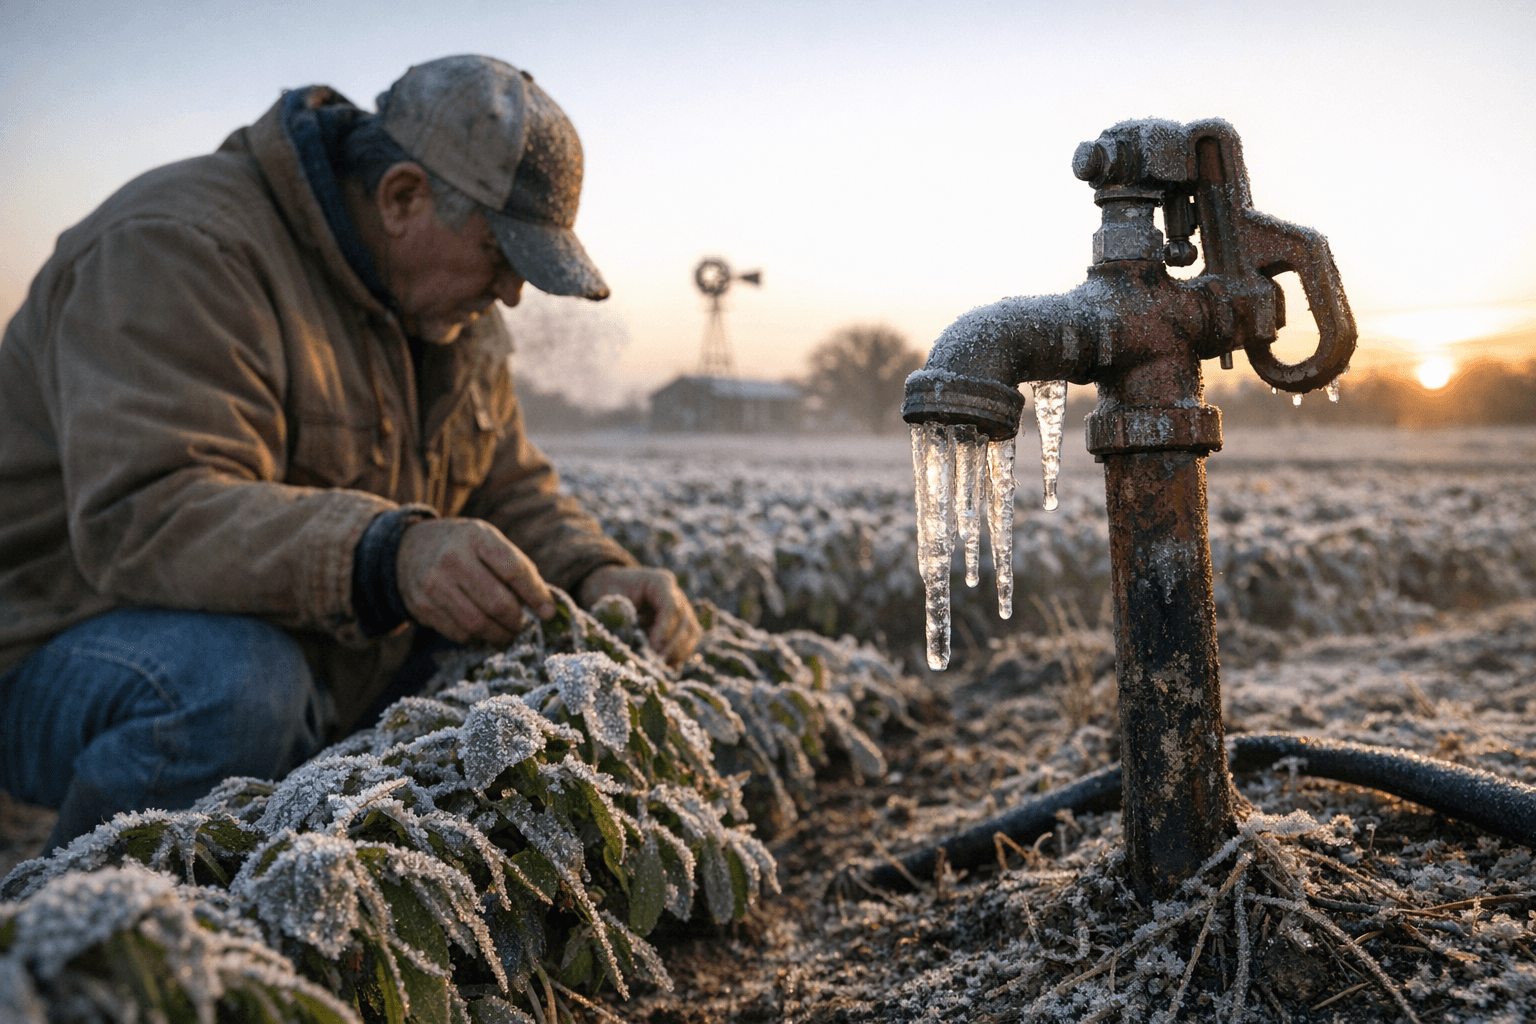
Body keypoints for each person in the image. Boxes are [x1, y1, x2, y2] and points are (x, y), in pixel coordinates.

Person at [0, 54, 701, 853]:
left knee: (513, 662)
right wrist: (387, 553)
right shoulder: (177, 249)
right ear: (403, 196)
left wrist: (591, 570)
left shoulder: (444, 308)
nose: (512, 295)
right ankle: (92, 940)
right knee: (236, 688)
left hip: (293, 638)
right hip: (55, 637)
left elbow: (504, 481)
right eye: (501, 256)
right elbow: (146, 514)